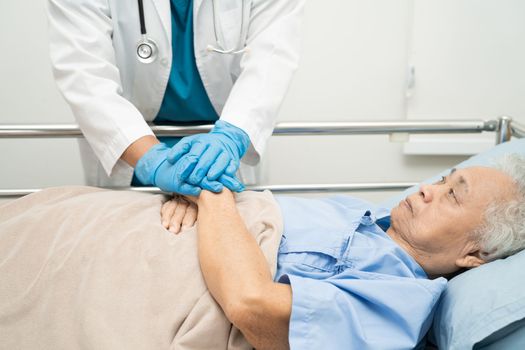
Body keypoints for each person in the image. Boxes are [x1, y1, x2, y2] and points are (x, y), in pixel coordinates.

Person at [160, 154, 525, 349]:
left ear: (476, 254)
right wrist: (190, 201)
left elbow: (252, 303)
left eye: (453, 195)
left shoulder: (401, 304)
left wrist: (210, 194)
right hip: (158, 226)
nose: (429, 188)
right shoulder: (357, 211)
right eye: (444, 180)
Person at [47, 0, 305, 195]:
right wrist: (152, 161)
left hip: (222, 158)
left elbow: (272, 57)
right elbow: (84, 73)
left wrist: (231, 136)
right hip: (133, 150)